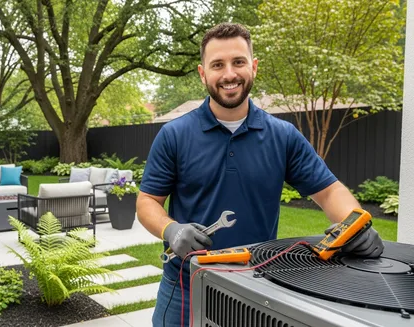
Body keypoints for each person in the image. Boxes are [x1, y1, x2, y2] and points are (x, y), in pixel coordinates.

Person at [136, 22, 385, 327]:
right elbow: (148, 200)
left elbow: (328, 191)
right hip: (184, 291)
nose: (229, 74)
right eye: (218, 65)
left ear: (253, 67)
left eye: (238, 62)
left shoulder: (283, 136)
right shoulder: (173, 135)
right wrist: (170, 229)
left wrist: (354, 224)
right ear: (203, 74)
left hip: (257, 289)